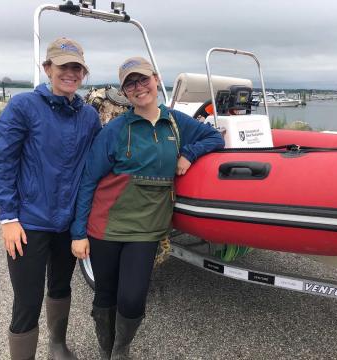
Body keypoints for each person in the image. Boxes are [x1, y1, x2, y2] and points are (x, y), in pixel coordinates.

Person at [70, 56, 224, 359]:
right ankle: (107, 351)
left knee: (132, 298)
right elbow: (88, 180)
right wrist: (78, 232)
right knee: (105, 294)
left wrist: (189, 153)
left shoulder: (176, 123)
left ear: (156, 79)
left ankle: (122, 348)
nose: (139, 88)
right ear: (125, 92)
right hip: (106, 226)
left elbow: (214, 136)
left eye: (143, 80)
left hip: (147, 228)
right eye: (131, 84)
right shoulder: (114, 130)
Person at [0, 37, 101, 360]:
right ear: (48, 68)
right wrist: (8, 218)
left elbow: (96, 166)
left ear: (83, 73)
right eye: (63, 66)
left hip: (67, 224)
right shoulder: (24, 106)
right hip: (29, 223)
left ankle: (57, 345)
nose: (70, 73)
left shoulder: (89, 116)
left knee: (61, 286)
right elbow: (1, 165)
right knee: (27, 300)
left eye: (76, 67)